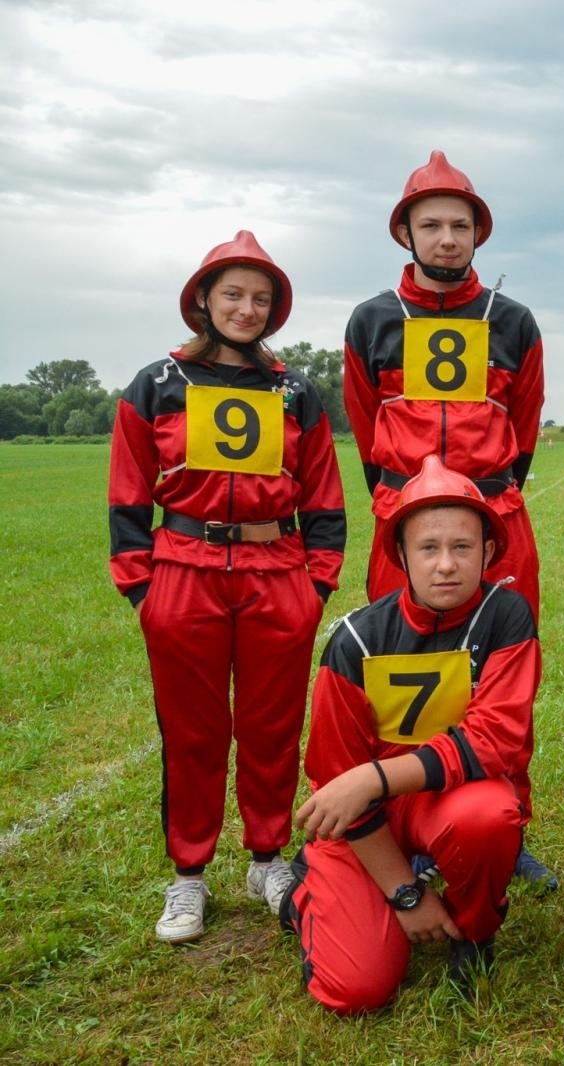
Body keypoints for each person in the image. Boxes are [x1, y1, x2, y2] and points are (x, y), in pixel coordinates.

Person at [108, 230, 345, 943]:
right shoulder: (156, 384)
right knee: (193, 733)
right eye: (233, 294)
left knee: (272, 728)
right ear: (203, 300)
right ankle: (188, 878)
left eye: (260, 298)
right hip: (184, 572)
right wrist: (143, 591)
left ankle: (267, 859)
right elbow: (127, 497)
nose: (246, 308)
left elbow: (324, 498)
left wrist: (317, 586)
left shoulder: (295, 390)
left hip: (277, 575)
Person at [343, 149, 553, 890]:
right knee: (400, 670)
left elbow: (523, 426)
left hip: (494, 516)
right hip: (403, 516)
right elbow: (366, 421)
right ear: (405, 232)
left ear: (477, 235)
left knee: (503, 671)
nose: (446, 239)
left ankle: (505, 823)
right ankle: (407, 827)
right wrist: (406, 505)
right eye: (430, 224)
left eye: (459, 225)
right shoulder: (371, 320)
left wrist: (482, 500)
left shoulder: (511, 320)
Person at [284, 456, 538, 1012]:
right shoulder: (355, 641)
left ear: (489, 552)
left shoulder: (507, 617)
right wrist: (405, 894)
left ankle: (473, 937)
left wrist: (373, 777)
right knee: (357, 990)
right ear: (399, 554)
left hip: (442, 801)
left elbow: (497, 740)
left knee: (489, 812)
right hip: (366, 822)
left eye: (463, 547)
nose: (446, 565)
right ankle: (304, 892)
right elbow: (337, 784)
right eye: (428, 548)